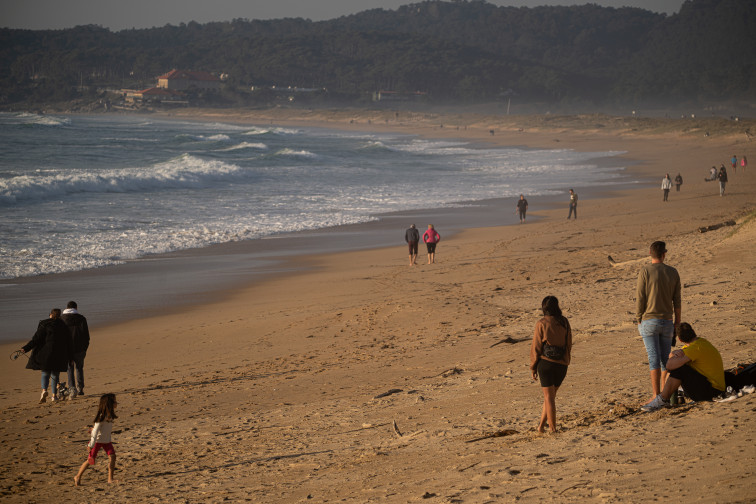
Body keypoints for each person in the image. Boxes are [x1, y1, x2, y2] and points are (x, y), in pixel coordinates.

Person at [636, 241, 681, 406]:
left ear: (650, 253)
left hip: (649, 320)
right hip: (668, 321)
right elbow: (677, 300)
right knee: (665, 359)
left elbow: (641, 297)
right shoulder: (673, 272)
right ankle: (665, 394)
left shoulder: (645, 271)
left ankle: (656, 395)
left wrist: (638, 317)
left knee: (653, 358)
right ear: (664, 254)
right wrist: (678, 321)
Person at [642, 323, 725, 411]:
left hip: (712, 392)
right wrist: (673, 354)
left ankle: (663, 399)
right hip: (714, 388)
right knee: (678, 365)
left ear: (680, 339)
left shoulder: (694, 348)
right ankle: (667, 398)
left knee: (679, 368)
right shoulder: (701, 343)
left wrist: (673, 355)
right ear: (693, 332)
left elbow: (669, 365)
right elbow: (672, 360)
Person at [530, 296, 572, 433]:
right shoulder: (564, 322)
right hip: (561, 365)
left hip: (546, 364)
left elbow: (536, 347)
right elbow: (569, 343)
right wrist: (566, 360)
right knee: (550, 397)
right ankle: (541, 426)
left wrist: (533, 367)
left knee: (549, 397)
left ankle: (553, 428)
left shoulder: (541, 323)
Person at [19, 308, 73, 403]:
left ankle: (44, 391)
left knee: (45, 373)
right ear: (59, 316)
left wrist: (25, 348)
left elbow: (36, 339)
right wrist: (71, 357)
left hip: (45, 354)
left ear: (51, 315)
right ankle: (54, 396)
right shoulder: (64, 326)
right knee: (55, 375)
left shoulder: (45, 324)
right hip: (59, 355)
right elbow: (69, 343)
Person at [74, 393, 118, 485]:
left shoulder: (110, 416)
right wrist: (91, 444)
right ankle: (77, 476)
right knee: (90, 460)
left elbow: (100, 429)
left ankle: (110, 479)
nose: (116, 403)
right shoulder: (102, 416)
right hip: (97, 442)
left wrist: (93, 429)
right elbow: (95, 431)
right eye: (114, 401)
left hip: (107, 441)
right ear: (109, 404)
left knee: (113, 457)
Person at [62, 301, 90, 399]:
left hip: (67, 349)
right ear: (76, 308)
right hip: (80, 348)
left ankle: (72, 388)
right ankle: (80, 388)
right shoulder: (82, 319)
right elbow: (86, 335)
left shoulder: (62, 319)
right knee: (79, 368)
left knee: (69, 368)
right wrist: (85, 347)